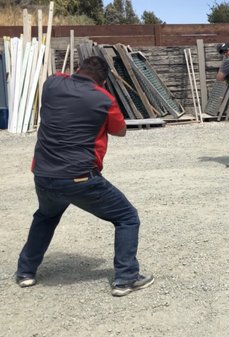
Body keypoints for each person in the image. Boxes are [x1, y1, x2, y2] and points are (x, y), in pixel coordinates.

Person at [15, 56, 154, 297]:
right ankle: (126, 278)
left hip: (43, 174)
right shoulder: (103, 98)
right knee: (127, 217)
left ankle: (25, 272)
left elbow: (61, 75)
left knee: (46, 216)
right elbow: (120, 131)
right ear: (103, 81)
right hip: (79, 177)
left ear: (77, 69)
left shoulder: (52, 84)